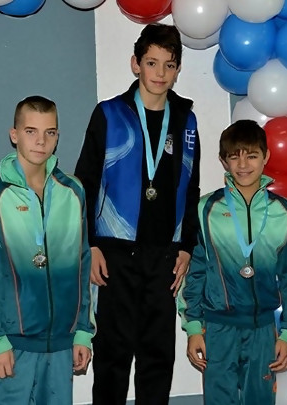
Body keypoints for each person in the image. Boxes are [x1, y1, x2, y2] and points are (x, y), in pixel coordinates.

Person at [74, 23, 201, 405]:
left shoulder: (186, 119)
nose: (160, 73)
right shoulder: (109, 114)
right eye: (152, 62)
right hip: (115, 252)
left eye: (169, 65)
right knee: (112, 357)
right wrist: (90, 244)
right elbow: (85, 182)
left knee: (157, 358)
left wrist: (186, 246)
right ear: (136, 64)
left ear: (178, 70)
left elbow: (191, 187)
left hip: (164, 255)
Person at [0, 95, 95, 405]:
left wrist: (82, 331)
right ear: (14, 135)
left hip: (62, 342)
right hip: (12, 344)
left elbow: (82, 265)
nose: (41, 141)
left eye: (50, 132)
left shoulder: (73, 191)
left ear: (58, 136)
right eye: (31, 131)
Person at [178, 119, 287, 405]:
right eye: (234, 157)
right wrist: (194, 327)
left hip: (262, 330)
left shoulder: (284, 211)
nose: (243, 164)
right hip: (217, 328)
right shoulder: (206, 208)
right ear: (223, 161)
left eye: (252, 155)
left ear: (266, 157)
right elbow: (194, 272)